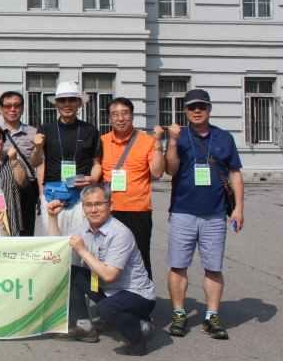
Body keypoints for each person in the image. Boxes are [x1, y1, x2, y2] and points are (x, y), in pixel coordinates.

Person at [164, 89, 244, 340]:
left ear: (209, 109)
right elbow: (170, 169)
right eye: (191, 107)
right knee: (178, 265)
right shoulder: (180, 136)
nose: (196, 111)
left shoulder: (223, 137)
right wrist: (173, 141)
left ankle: (211, 315)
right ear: (185, 111)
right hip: (183, 211)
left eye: (201, 107)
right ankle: (178, 313)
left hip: (215, 213)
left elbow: (235, 173)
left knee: (213, 267)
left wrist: (239, 208)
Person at [46, 186, 156, 355]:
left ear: (110, 205)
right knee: (72, 272)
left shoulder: (120, 233)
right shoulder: (84, 227)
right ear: (83, 208)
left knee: (106, 309)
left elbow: (109, 275)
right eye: (88, 205)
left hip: (136, 295)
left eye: (99, 204)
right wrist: (53, 217)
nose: (93, 209)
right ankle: (84, 326)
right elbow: (60, 249)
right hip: (108, 289)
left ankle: (138, 335)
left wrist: (82, 250)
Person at [99, 97, 165, 279]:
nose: (120, 118)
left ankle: (143, 299)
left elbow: (158, 172)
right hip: (108, 211)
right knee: (108, 258)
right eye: (115, 114)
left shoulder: (147, 141)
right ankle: (110, 298)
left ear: (132, 116)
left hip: (138, 211)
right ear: (109, 119)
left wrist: (158, 142)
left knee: (139, 257)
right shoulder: (102, 141)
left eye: (125, 113)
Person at [37, 81, 102, 234]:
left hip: (81, 197)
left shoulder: (90, 130)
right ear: (56, 104)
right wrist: (41, 194)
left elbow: (97, 163)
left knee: (79, 246)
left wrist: (93, 179)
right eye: (62, 100)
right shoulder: (46, 129)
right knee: (54, 248)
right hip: (52, 195)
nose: (67, 104)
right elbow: (38, 163)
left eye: (72, 99)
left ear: (79, 103)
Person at [0, 91, 45, 236]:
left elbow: (40, 164)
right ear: (1, 109)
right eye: (8, 106)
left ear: (23, 108)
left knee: (26, 232)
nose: (12, 109)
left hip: (26, 189)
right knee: (2, 228)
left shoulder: (33, 133)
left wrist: (41, 195)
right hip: (0, 190)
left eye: (17, 105)